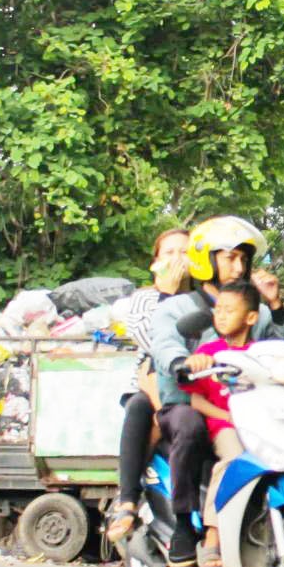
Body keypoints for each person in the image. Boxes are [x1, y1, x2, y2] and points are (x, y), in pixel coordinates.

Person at [149, 216, 284, 567]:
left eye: (243, 259)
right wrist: (181, 362)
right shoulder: (177, 307)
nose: (239, 266)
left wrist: (276, 306)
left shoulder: (257, 313)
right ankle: (187, 528)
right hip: (190, 403)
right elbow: (163, 342)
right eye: (229, 257)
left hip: (248, 410)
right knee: (188, 425)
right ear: (206, 260)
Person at [105, 227, 190, 545]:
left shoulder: (203, 297)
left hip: (194, 388)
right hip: (151, 382)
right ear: (155, 262)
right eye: (169, 253)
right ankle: (127, 500)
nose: (177, 260)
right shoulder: (144, 298)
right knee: (141, 406)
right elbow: (152, 339)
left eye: (184, 252)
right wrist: (167, 294)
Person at [178, 280, 260, 567]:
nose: (221, 315)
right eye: (219, 310)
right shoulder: (209, 352)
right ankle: (212, 535)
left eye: (230, 310)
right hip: (223, 427)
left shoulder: (260, 354)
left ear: (251, 318)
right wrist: (226, 417)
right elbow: (196, 402)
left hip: (260, 427)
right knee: (234, 459)